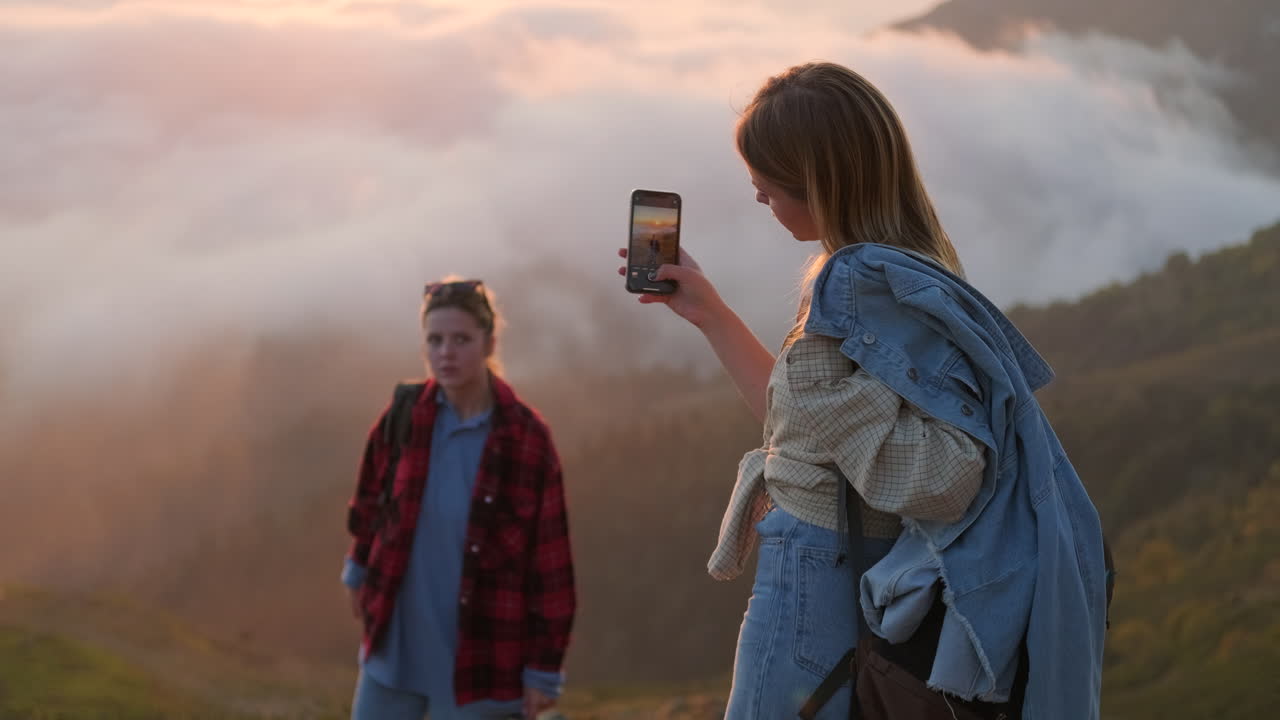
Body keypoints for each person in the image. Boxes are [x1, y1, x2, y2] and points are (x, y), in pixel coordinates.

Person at [618, 62, 1106, 720]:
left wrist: (826, 393)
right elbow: (813, 435)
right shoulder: (902, 270)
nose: (758, 195)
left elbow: (949, 471)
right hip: (843, 566)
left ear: (819, 180)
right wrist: (711, 314)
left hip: (819, 574)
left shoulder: (859, 283)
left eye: (768, 182)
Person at [342, 278, 576, 720]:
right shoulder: (405, 415)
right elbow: (372, 499)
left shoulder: (526, 440)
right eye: (435, 340)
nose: (446, 352)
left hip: (483, 663)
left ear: (489, 343)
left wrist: (543, 673)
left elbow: (551, 566)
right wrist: (357, 569)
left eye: (461, 339)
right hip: (396, 652)